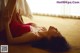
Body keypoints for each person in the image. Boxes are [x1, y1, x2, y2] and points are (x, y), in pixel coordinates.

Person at [0, 0, 70, 52]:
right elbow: (22, 29)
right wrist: (19, 19)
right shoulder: (42, 29)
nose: (56, 29)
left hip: (4, 27)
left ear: (50, 38)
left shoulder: (34, 36)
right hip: (13, 21)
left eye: (57, 32)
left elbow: (11, 41)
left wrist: (6, 23)